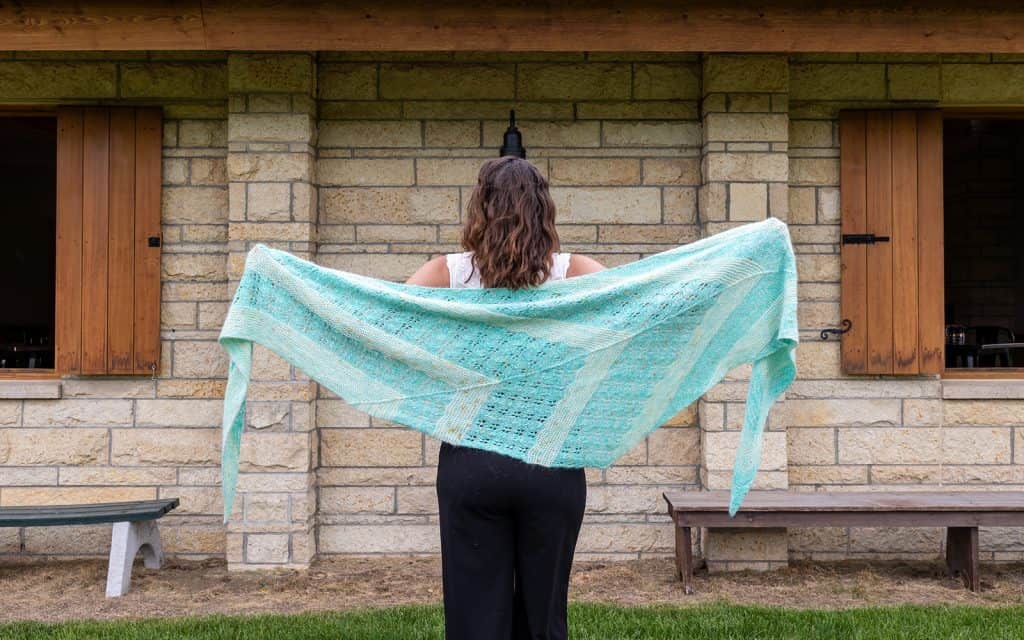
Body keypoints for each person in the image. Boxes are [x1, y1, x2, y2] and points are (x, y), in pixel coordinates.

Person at [405, 156, 606, 639]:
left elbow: (387, 324)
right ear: (545, 209)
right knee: (544, 618)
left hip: (471, 462)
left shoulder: (446, 274)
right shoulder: (576, 272)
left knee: (475, 621)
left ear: (480, 207)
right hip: (550, 461)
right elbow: (643, 311)